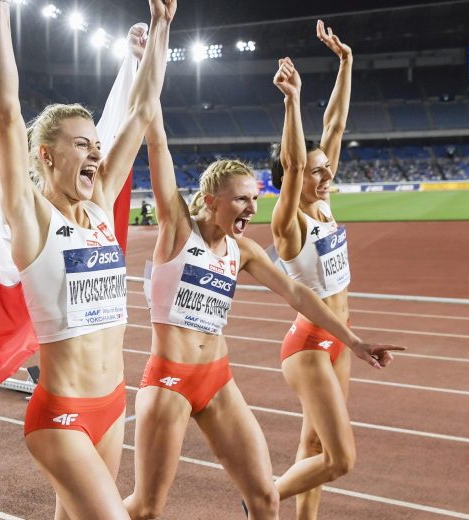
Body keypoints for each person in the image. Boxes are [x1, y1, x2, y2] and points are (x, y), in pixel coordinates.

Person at [124, 94, 404, 519]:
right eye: (240, 199)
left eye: (254, 199)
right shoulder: (178, 231)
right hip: (169, 382)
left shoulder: (244, 251)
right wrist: (151, 58)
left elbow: (298, 295)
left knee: (266, 498)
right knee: (146, 508)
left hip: (217, 380)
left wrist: (355, 342)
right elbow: (157, 142)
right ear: (210, 199)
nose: (251, 209)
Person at [0, 1, 173, 518]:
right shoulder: (32, 218)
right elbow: (7, 113)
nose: (96, 154)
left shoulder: (97, 209)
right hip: (60, 415)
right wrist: (0, 18)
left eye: (96, 144)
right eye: (82, 145)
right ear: (46, 155)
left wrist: (162, 28)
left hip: (112, 406)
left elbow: (141, 112)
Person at [269, 25, 401, 519]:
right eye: (315, 171)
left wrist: (346, 63)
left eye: (327, 169)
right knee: (340, 459)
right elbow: (293, 160)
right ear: (294, 177)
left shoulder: (323, 206)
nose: (327, 176)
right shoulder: (290, 223)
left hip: (340, 338)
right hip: (308, 345)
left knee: (315, 447)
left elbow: (336, 127)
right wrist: (291, 101)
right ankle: (260, 495)